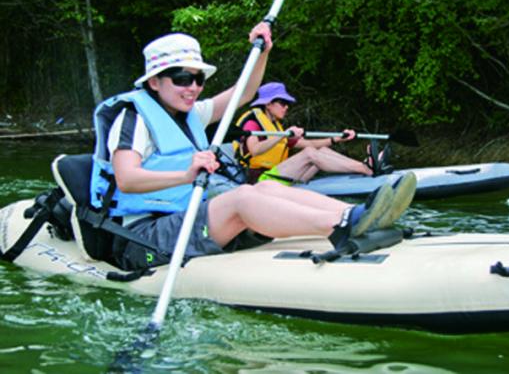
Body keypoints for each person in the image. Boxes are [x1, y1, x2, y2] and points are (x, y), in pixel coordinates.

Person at [89, 23, 417, 271]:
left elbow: (243, 93)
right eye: (181, 78)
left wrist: (263, 51)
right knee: (243, 197)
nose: (193, 88)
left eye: (198, 79)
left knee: (264, 189)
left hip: (187, 216)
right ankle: (340, 228)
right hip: (143, 235)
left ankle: (354, 215)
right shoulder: (133, 118)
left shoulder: (191, 113)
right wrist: (186, 174)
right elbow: (128, 179)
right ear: (154, 82)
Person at [234, 82, 392, 184]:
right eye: (283, 103)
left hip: (278, 176)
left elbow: (308, 143)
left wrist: (336, 139)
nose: (286, 107)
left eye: (287, 103)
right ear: (268, 104)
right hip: (260, 181)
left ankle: (365, 166)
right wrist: (283, 135)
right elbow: (254, 150)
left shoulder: (276, 127)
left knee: (318, 150)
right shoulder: (252, 123)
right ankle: (365, 168)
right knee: (309, 154)